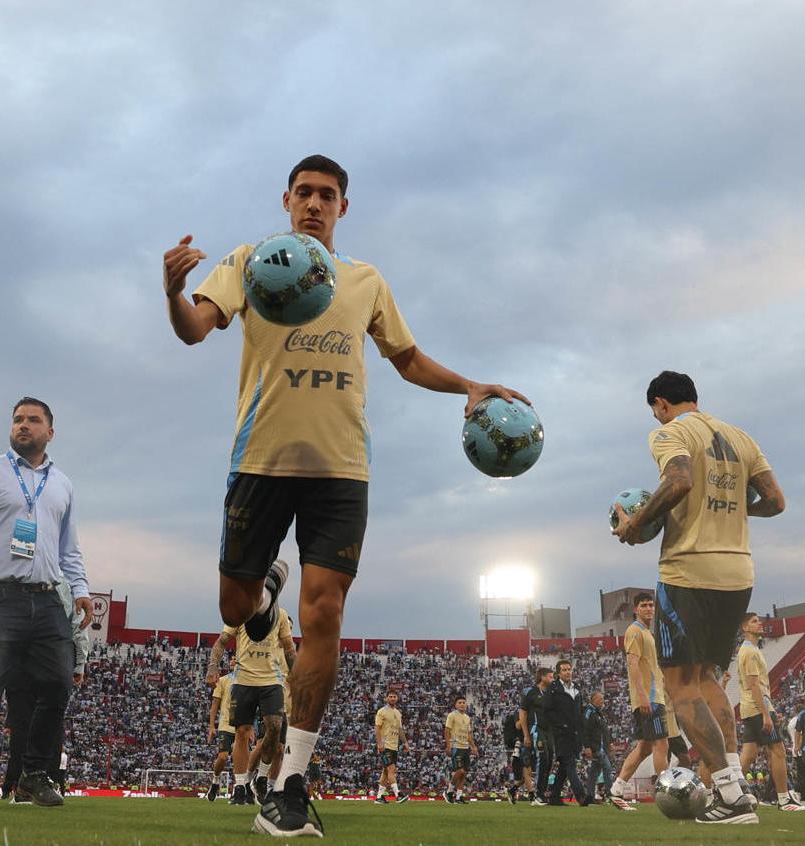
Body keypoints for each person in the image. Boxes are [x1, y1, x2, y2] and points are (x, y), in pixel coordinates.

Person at [161, 154, 527, 837]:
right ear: (286, 200)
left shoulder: (364, 281)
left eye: (327, 195)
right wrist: (171, 292)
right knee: (235, 608)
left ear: (343, 208)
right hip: (261, 464)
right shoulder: (250, 262)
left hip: (341, 471)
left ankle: (292, 782)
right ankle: (263, 589)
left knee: (324, 611)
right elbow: (194, 327)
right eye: (304, 193)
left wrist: (469, 386)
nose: (314, 204)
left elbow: (407, 358)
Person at [610, 370, 788, 825]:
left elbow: (680, 481)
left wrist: (636, 523)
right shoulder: (740, 436)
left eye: (655, 410)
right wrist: (725, 505)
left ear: (661, 404)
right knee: (708, 680)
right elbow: (774, 500)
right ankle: (737, 785)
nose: (656, 417)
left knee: (681, 686)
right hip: (738, 571)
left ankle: (727, 795)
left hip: (689, 570)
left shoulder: (670, 432)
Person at [0, 397, 93, 811]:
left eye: (33, 420)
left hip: (45, 599)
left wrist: (81, 589)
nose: (23, 425)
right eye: (18, 419)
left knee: (59, 684)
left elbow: (69, 548)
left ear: (50, 432)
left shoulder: (62, 484)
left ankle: (34, 775)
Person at [3, 580, 93, 805]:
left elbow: (76, 625)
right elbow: (77, 626)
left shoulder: (17, 574)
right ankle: (41, 783)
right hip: (50, 657)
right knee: (49, 720)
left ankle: (23, 786)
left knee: (26, 723)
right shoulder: (63, 581)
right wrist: (79, 663)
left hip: (21, 659)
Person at [209, 603, 295, 806]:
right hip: (243, 680)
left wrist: (299, 676)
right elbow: (221, 642)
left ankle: (262, 777)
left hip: (271, 682)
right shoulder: (240, 612)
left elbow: (290, 649)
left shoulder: (280, 615)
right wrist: (212, 666)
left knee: (274, 728)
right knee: (242, 732)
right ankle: (239, 786)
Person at [735, 613, 805, 811]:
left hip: (750, 708)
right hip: (759, 708)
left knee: (748, 754)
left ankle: (728, 793)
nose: (760, 624)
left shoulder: (749, 650)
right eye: (754, 621)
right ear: (745, 627)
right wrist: (767, 713)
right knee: (778, 751)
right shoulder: (749, 652)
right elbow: (753, 684)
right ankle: (784, 799)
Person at [608, 592, 669, 809]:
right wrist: (643, 696)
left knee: (644, 748)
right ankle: (667, 791)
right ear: (636, 609)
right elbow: (632, 664)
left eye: (651, 605)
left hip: (655, 696)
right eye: (644, 605)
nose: (649, 609)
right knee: (662, 743)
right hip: (648, 699)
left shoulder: (647, 633)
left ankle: (616, 789)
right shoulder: (634, 631)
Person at [542, 660, 591, 806]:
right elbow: (547, 710)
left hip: (575, 734)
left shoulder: (576, 688)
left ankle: (554, 797)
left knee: (564, 767)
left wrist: (582, 735)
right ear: (558, 673)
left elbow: (580, 712)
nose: (568, 672)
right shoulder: (553, 688)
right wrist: (560, 725)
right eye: (564, 670)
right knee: (569, 764)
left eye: (569, 669)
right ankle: (581, 796)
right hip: (561, 733)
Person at [519, 666, 553, 804]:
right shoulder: (531, 692)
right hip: (536, 728)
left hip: (549, 731)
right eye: (550, 676)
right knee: (542, 757)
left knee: (550, 760)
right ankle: (537, 795)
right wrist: (526, 735)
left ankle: (542, 793)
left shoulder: (552, 693)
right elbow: (523, 713)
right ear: (542, 677)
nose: (553, 679)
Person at [207, 668, 236, 802]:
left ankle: (239, 788)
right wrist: (212, 726)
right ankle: (215, 781)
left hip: (243, 726)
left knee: (239, 757)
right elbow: (214, 705)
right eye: (232, 659)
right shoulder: (223, 681)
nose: (233, 661)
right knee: (223, 757)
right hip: (226, 725)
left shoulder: (250, 680)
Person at [372, 691, 406, 804]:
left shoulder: (398, 713)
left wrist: (405, 743)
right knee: (392, 769)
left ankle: (379, 797)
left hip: (394, 746)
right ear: (386, 698)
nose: (392, 698)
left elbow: (400, 730)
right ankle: (398, 795)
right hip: (385, 745)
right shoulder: (382, 712)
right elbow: (377, 728)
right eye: (390, 696)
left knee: (386, 772)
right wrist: (379, 743)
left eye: (394, 697)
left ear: (397, 698)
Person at [582, 691, 613, 806]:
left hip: (601, 747)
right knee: (607, 768)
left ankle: (589, 796)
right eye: (600, 699)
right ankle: (611, 795)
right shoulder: (589, 712)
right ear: (593, 700)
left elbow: (603, 730)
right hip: (596, 748)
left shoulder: (598, 713)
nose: (602, 701)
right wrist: (587, 746)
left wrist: (609, 743)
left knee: (594, 773)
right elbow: (585, 730)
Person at [444, 695, 476, 804]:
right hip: (456, 746)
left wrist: (474, 747)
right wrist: (448, 746)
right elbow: (447, 731)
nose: (462, 704)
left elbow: (469, 734)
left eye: (463, 702)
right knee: (459, 771)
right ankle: (449, 791)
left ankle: (458, 797)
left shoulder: (467, 718)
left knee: (464, 773)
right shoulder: (451, 715)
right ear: (456, 705)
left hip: (465, 747)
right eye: (460, 702)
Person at [502, 707, 529, 804]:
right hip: (517, 750)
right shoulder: (514, 717)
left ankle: (512, 790)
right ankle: (533, 796)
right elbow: (516, 728)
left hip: (524, 748)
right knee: (525, 775)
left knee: (524, 777)